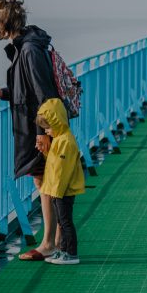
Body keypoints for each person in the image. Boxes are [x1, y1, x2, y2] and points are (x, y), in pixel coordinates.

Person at [0, 0, 59, 261]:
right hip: (35, 126)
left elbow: (44, 95)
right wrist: (3, 93)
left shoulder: (28, 50)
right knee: (48, 182)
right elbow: (27, 90)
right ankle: (54, 239)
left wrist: (42, 133)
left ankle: (49, 242)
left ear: (6, 24)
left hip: (37, 128)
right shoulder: (27, 47)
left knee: (46, 183)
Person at [35, 97, 86, 265]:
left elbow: (62, 172)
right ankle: (62, 250)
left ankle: (71, 253)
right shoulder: (59, 139)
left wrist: (55, 191)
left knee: (65, 222)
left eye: (48, 127)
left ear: (57, 123)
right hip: (59, 189)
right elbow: (54, 164)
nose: (46, 132)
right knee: (61, 221)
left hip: (64, 190)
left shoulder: (65, 142)